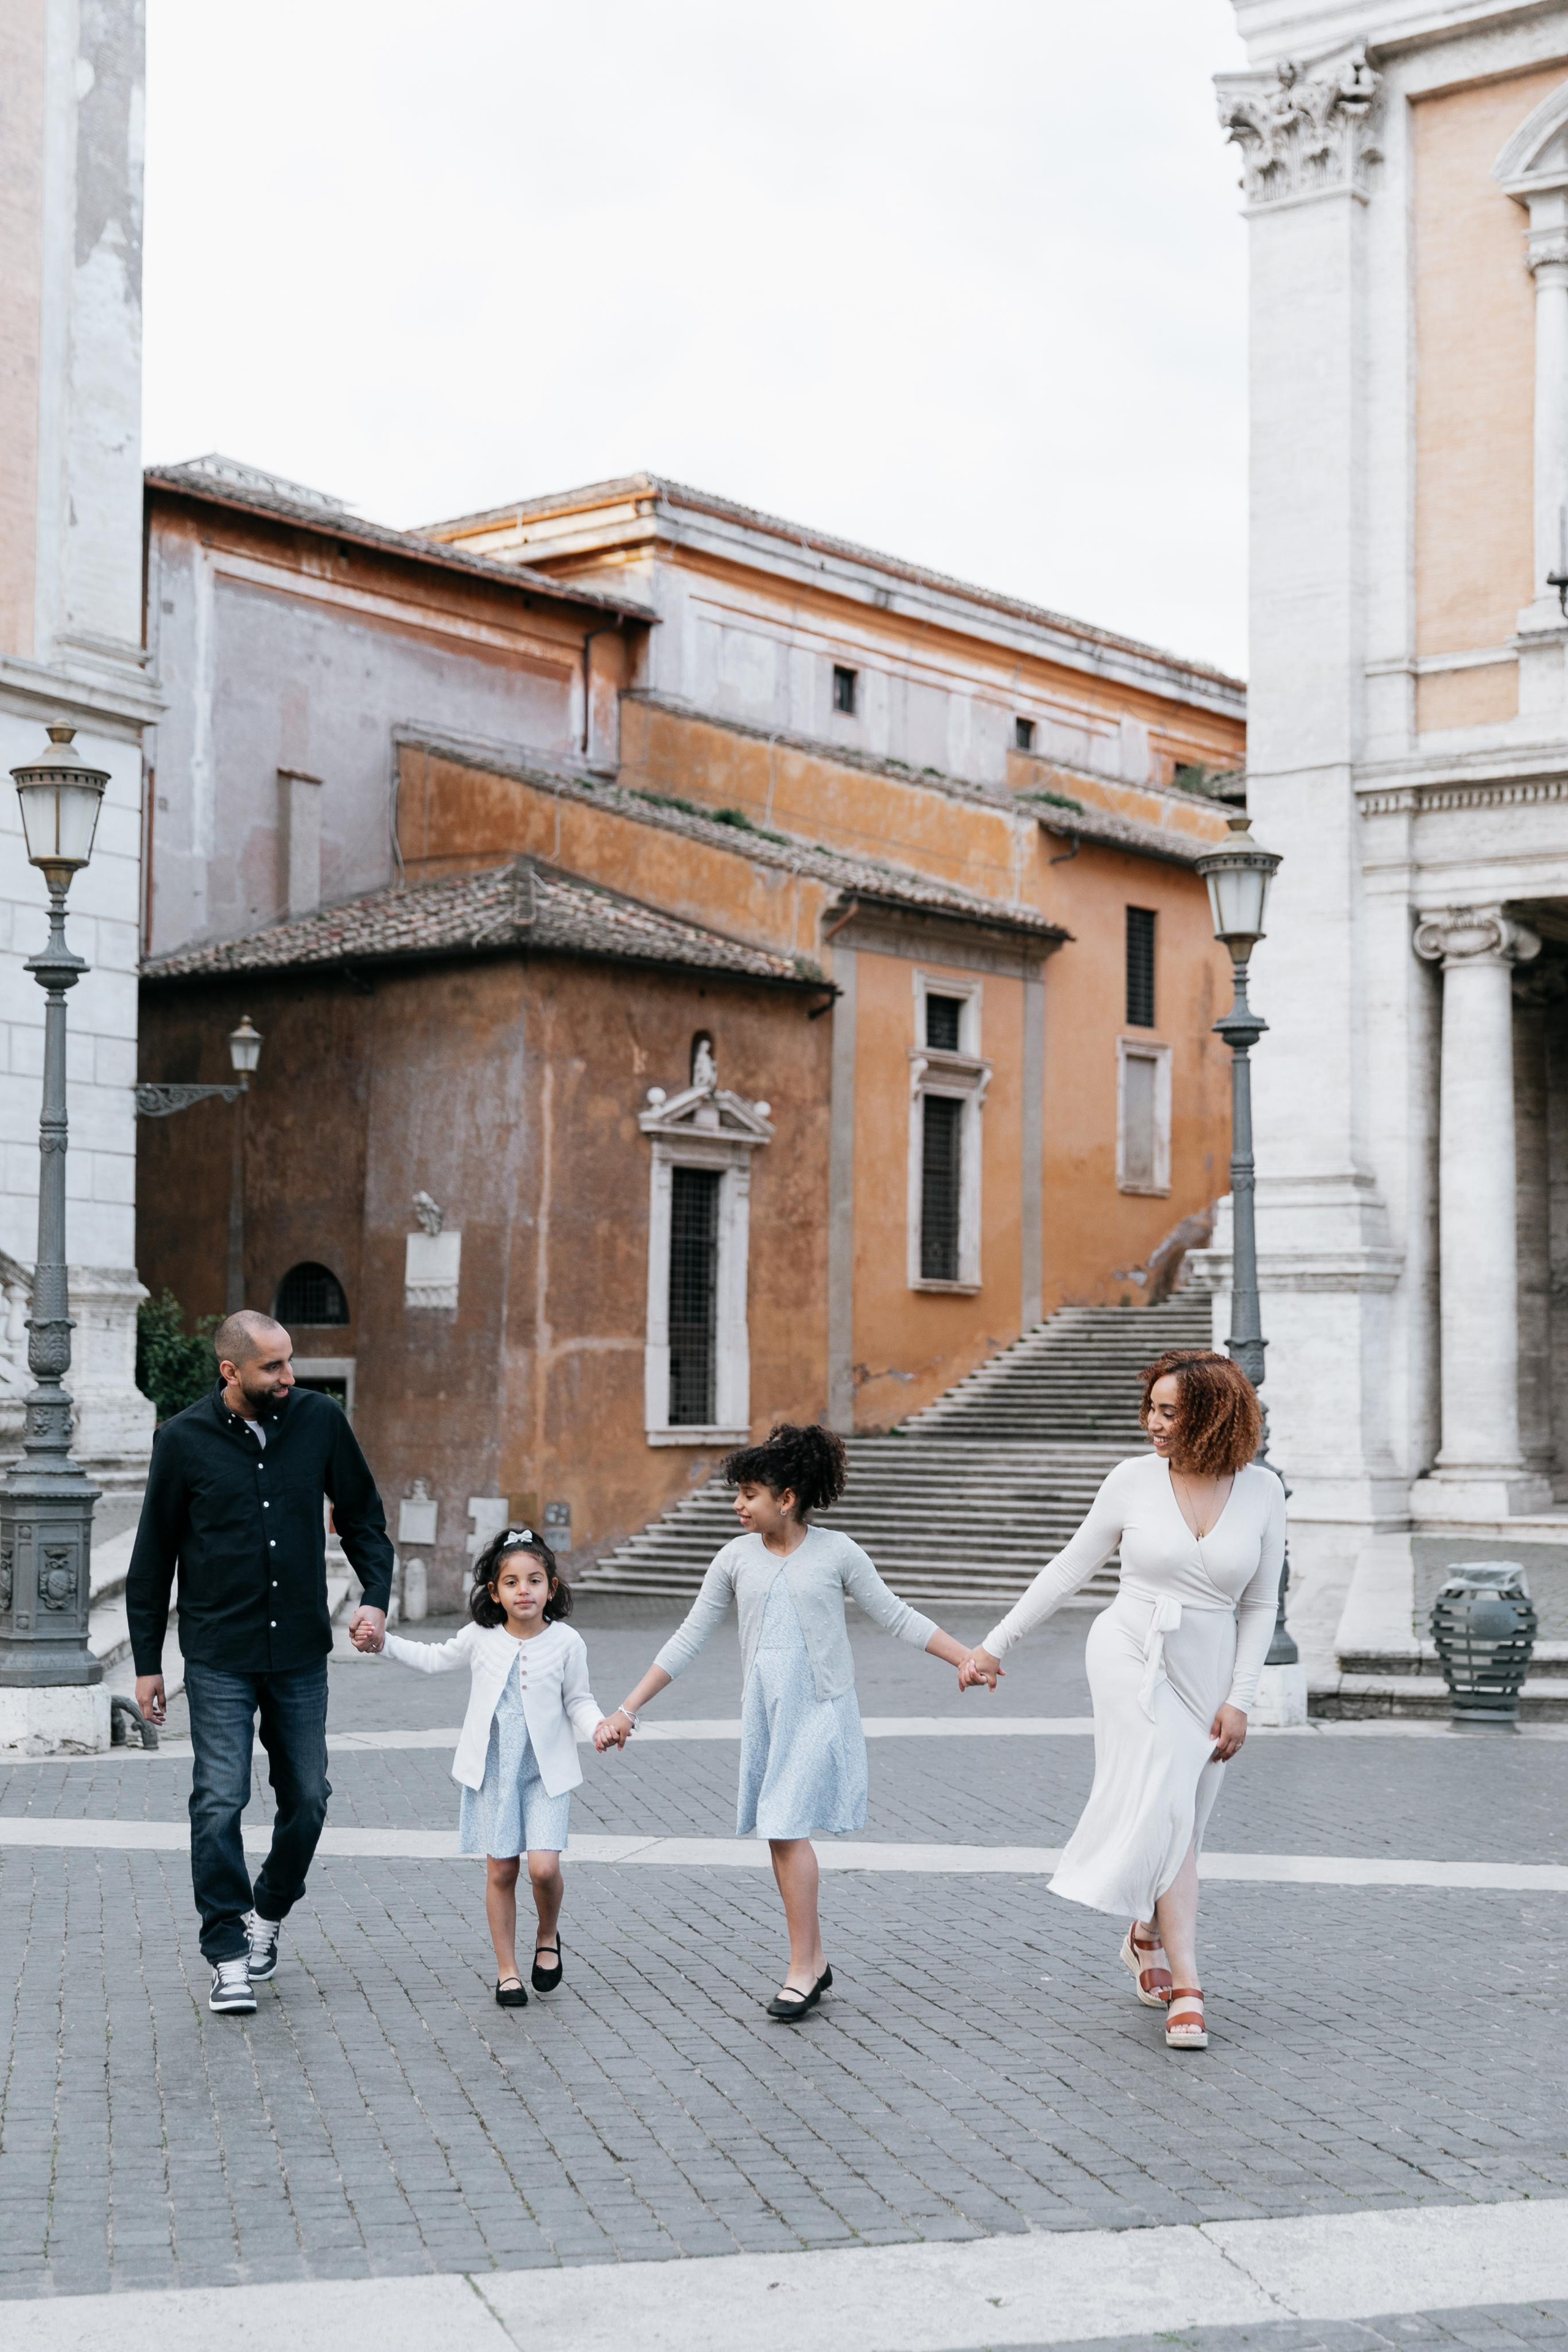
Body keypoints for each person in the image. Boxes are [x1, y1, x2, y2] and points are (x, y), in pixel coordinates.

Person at [960, 1349, 1284, 2052]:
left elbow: (1260, 1605)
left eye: (1169, 1411)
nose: (1152, 1423)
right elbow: (1071, 1566)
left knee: (1184, 1816)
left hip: (1208, 1665)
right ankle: (1188, 1983)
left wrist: (1241, 1699)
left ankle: (1144, 1934)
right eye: (1151, 1409)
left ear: (1211, 1414)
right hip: (1128, 1649)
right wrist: (994, 1645)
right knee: (1168, 1797)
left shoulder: (1262, 1492)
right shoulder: (1132, 1480)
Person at [600, 1422, 974, 2020]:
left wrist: (965, 1658)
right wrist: (627, 1708)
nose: (737, 1504)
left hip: (821, 1710)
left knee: (783, 1823)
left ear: (787, 1499)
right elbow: (688, 1637)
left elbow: (895, 1614)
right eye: (738, 1492)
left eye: (748, 1493)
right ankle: (815, 1961)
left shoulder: (837, 1553)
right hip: (767, 1712)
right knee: (779, 1832)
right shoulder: (733, 1559)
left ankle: (801, 1968)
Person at [127, 1310, 393, 2016]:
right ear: (231, 1371)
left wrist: (375, 1598)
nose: (289, 1376)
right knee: (220, 1800)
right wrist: (149, 1662)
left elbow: (364, 1515)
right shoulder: (181, 1441)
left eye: (290, 1362)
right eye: (273, 1366)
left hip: (302, 1650)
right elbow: (152, 1558)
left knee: (309, 1796)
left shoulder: (320, 1421)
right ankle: (227, 1953)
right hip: (218, 1651)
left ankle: (266, 1911)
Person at [354, 1527, 614, 2007]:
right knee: (501, 1873)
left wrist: (598, 1726)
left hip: (544, 1774)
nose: (524, 1591)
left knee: (543, 1868)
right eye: (512, 1582)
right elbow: (433, 1660)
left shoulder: (567, 1642)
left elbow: (579, 1699)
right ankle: (507, 1970)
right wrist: (383, 1642)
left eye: (535, 1580)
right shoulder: (481, 1637)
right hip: (494, 1771)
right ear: (494, 1592)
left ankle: (547, 1934)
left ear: (551, 1588)